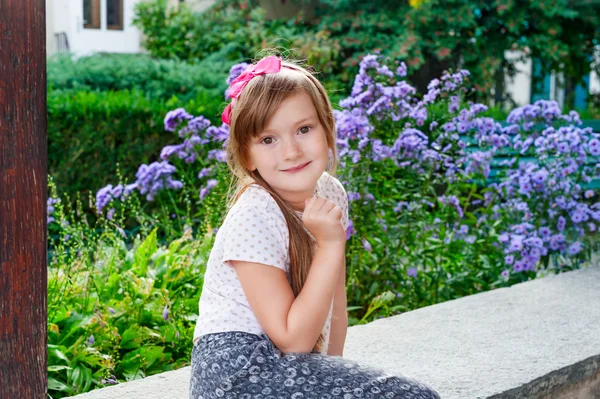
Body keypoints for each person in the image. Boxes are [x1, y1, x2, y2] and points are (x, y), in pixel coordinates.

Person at [189, 54, 441, 399]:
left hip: (288, 367)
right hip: (237, 374)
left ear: (327, 130)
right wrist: (331, 245)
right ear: (247, 156)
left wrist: (333, 375)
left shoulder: (329, 192)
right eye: (268, 140)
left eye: (304, 130)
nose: (291, 151)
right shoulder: (254, 214)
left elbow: (335, 309)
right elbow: (293, 340)